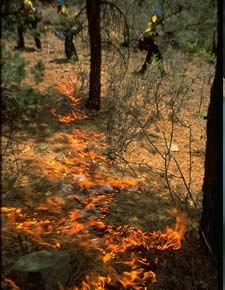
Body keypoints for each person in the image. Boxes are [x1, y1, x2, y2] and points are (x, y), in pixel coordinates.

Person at [137, 7, 164, 75]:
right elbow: (148, 32)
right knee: (157, 57)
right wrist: (156, 34)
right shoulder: (153, 21)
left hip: (153, 42)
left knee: (151, 58)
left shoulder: (156, 22)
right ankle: (162, 72)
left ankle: (143, 71)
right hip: (152, 42)